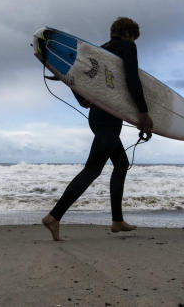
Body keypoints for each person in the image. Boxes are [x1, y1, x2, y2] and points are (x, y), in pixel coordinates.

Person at [42, 17, 153, 241]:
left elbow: (76, 79)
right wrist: (143, 112)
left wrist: (82, 98)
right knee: (93, 169)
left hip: (97, 114)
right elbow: (132, 79)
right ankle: (54, 216)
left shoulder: (100, 52)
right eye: (133, 37)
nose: (134, 41)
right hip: (107, 117)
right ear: (128, 33)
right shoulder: (127, 46)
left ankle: (117, 221)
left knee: (121, 164)